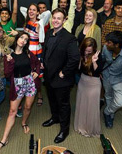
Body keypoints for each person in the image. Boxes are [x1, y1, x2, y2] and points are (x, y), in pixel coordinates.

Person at [0, 32, 40, 152]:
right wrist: (10, 62)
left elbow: (37, 63)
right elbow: (8, 75)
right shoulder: (9, 55)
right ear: (17, 39)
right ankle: (4, 139)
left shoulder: (28, 53)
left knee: (28, 107)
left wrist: (36, 71)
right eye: (21, 38)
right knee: (12, 111)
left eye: (26, 39)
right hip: (17, 84)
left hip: (30, 82)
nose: (23, 41)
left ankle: (24, 123)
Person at [42, 8, 80, 143]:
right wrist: (42, 62)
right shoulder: (48, 33)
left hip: (61, 78)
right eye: (54, 18)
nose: (56, 20)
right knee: (52, 100)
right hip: (48, 76)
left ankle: (64, 130)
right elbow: (46, 51)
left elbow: (75, 59)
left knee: (63, 104)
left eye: (59, 18)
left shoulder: (69, 38)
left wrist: (64, 72)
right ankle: (55, 117)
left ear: (64, 20)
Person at [74, 37, 103, 137]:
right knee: (82, 104)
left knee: (91, 107)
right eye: (85, 50)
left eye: (89, 51)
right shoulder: (81, 54)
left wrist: (94, 61)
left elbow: (98, 72)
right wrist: (80, 59)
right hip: (83, 81)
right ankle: (81, 126)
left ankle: (90, 129)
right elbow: (78, 70)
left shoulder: (98, 55)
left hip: (93, 83)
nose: (87, 52)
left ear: (94, 49)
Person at [23, 3, 51, 106]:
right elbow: (23, 9)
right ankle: (27, 95)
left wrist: (39, 17)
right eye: (30, 9)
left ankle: (39, 95)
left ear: (38, 12)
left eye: (34, 10)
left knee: (37, 76)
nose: (31, 11)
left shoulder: (40, 23)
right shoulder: (27, 22)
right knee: (27, 74)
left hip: (36, 52)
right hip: (27, 51)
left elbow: (48, 13)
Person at [0, 21, 16, 121]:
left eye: (1, 31)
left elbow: (16, 40)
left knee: (15, 88)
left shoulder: (5, 37)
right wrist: (10, 51)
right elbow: (0, 52)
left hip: (9, 70)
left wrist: (16, 34)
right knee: (1, 93)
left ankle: (17, 108)